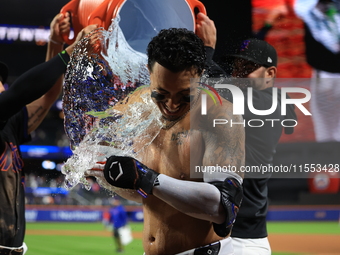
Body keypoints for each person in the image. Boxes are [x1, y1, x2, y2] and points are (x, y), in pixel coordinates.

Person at [85, 27, 245, 255]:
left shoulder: (220, 116)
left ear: (200, 74)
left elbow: (223, 207)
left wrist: (147, 178)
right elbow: (143, 193)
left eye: (184, 95)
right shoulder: (136, 105)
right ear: (149, 73)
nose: (171, 105)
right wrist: (105, 173)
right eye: (160, 94)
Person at [196, 13, 297, 255]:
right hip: (210, 235)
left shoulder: (277, 102)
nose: (239, 73)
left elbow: (221, 87)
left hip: (245, 241)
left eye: (248, 68)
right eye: (237, 66)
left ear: (270, 74)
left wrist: (208, 50)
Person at [0, 12, 97, 254]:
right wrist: (69, 53)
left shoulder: (8, 126)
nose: (3, 85)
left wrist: (56, 41)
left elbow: (46, 96)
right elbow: (19, 94)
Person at [294, 0, 340, 142]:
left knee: (325, 123)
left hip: (326, 71)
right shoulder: (309, 9)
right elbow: (300, 8)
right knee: (323, 125)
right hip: (323, 71)